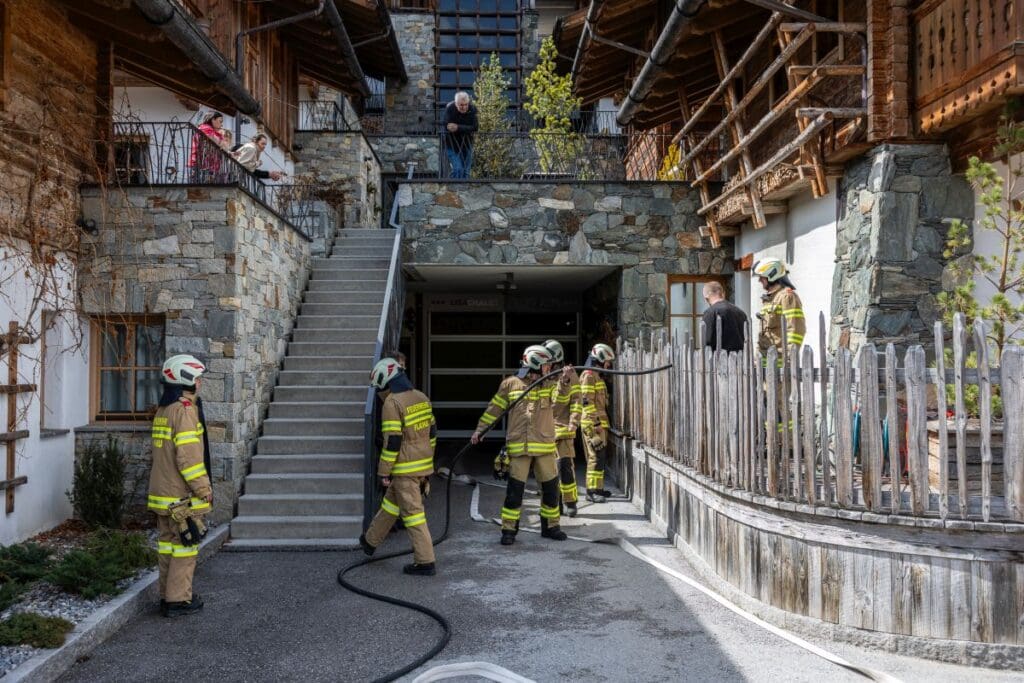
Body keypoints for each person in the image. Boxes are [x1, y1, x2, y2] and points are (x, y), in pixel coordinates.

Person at [472, 345, 567, 545]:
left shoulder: (550, 384)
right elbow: (494, 410)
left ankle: (551, 527)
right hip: (519, 447)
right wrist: (480, 430)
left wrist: (564, 381)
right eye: (546, 366)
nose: (549, 369)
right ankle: (508, 530)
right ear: (535, 364)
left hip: (544, 446)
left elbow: (559, 404)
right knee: (515, 491)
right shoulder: (510, 384)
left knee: (551, 489)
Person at [360, 358, 438, 576]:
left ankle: (425, 561)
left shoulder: (392, 403)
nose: (379, 393)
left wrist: (384, 472)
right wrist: (427, 462)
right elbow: (432, 434)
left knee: (413, 515)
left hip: (404, 469)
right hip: (421, 466)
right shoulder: (421, 397)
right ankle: (370, 541)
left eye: (380, 387)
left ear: (387, 381)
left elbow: (393, 442)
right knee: (390, 507)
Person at [148, 354, 212, 618]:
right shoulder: (185, 411)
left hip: (162, 494)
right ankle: (178, 600)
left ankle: (166, 596)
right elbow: (189, 459)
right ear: (187, 380)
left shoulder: (164, 410)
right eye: (198, 378)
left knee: (167, 545)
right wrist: (204, 489)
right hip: (180, 498)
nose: (200, 383)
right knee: (186, 546)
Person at [545, 339, 582, 517]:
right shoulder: (545, 375)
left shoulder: (569, 375)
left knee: (565, 467)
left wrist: (573, 423)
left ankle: (570, 502)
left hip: (563, 430)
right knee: (548, 471)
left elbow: (576, 402)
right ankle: (555, 502)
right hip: (545, 431)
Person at [581, 343, 615, 503]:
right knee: (595, 456)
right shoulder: (588, 376)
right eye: (607, 361)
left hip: (600, 423)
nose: (608, 365)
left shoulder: (597, 376)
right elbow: (586, 402)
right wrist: (595, 424)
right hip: (592, 424)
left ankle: (598, 488)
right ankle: (591, 491)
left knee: (600, 457)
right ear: (600, 359)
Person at [753, 258, 805, 356]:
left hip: (780, 362)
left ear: (771, 274)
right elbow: (764, 333)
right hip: (765, 360)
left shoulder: (787, 296)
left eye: (761, 277)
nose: (759, 280)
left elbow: (796, 329)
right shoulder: (769, 299)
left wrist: (790, 356)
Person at [701, 281, 748, 352]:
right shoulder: (741, 312)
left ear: (706, 298)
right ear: (723, 293)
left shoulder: (710, 313)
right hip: (740, 359)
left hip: (719, 359)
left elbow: (707, 341)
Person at [442, 92, 477, 179]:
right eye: (461, 105)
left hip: (467, 144)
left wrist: (458, 127)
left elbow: (475, 127)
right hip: (451, 144)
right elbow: (447, 125)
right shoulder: (450, 109)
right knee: (458, 169)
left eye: (466, 104)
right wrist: (465, 128)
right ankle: (454, 190)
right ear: (456, 103)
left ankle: (464, 192)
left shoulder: (472, 109)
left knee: (466, 172)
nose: (464, 107)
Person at [189, 111, 226, 182]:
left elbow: (222, 145)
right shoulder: (205, 128)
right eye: (220, 121)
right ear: (213, 120)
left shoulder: (211, 131)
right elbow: (217, 141)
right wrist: (221, 141)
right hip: (202, 164)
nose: (221, 124)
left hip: (208, 164)